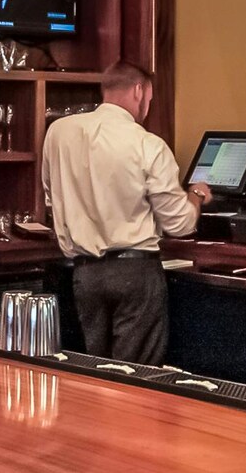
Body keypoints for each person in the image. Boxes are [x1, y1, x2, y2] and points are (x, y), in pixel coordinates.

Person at [41, 62, 212, 365]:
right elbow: (180, 224)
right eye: (149, 98)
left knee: (97, 371)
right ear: (138, 91)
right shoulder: (147, 144)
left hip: (85, 273)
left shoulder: (59, 133)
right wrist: (196, 196)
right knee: (136, 375)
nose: (147, 106)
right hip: (135, 273)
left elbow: (51, 196)